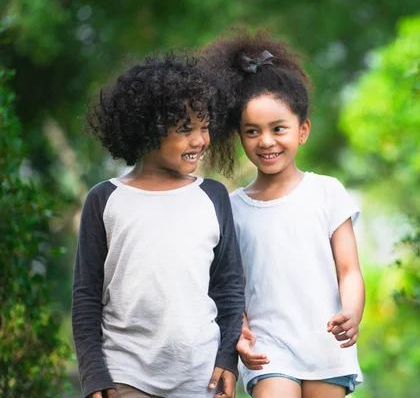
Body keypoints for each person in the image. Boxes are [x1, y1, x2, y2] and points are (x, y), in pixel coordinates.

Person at [72, 52, 244, 398]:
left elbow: (228, 287)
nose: (200, 140)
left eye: (205, 127)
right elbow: (87, 296)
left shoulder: (212, 196)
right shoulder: (105, 199)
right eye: (185, 130)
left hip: (200, 376)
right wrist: (94, 374)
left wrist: (228, 357)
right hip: (126, 375)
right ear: (147, 128)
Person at [202, 30, 365, 398]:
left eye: (279, 129)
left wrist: (352, 313)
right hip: (267, 349)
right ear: (239, 137)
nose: (266, 141)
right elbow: (230, 285)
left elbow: (349, 270)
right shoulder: (232, 206)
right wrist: (238, 330)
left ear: (302, 130)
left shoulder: (326, 191)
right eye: (252, 131)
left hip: (327, 343)